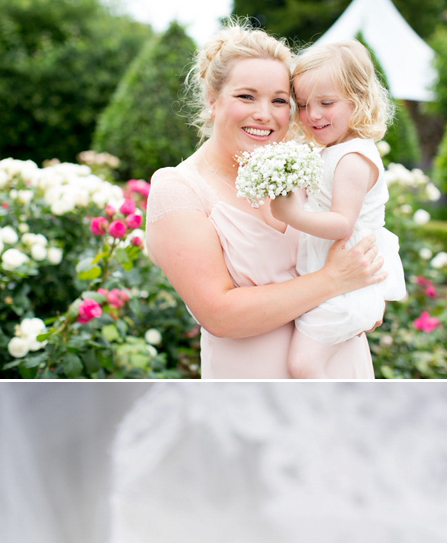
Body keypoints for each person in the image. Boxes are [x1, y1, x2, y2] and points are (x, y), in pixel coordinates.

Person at [145, 24, 386, 379]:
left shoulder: (304, 167)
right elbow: (219, 314)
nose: (265, 114)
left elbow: (364, 241)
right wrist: (333, 281)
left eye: (278, 100)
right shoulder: (180, 188)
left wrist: (368, 297)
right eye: (246, 97)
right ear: (212, 101)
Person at [274, 42, 407, 381]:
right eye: (303, 105)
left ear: (358, 100)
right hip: (336, 279)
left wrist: (291, 214)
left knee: (303, 366)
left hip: (348, 285)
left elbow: (342, 224)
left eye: (326, 103)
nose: (313, 115)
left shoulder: (351, 158)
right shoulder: (334, 151)